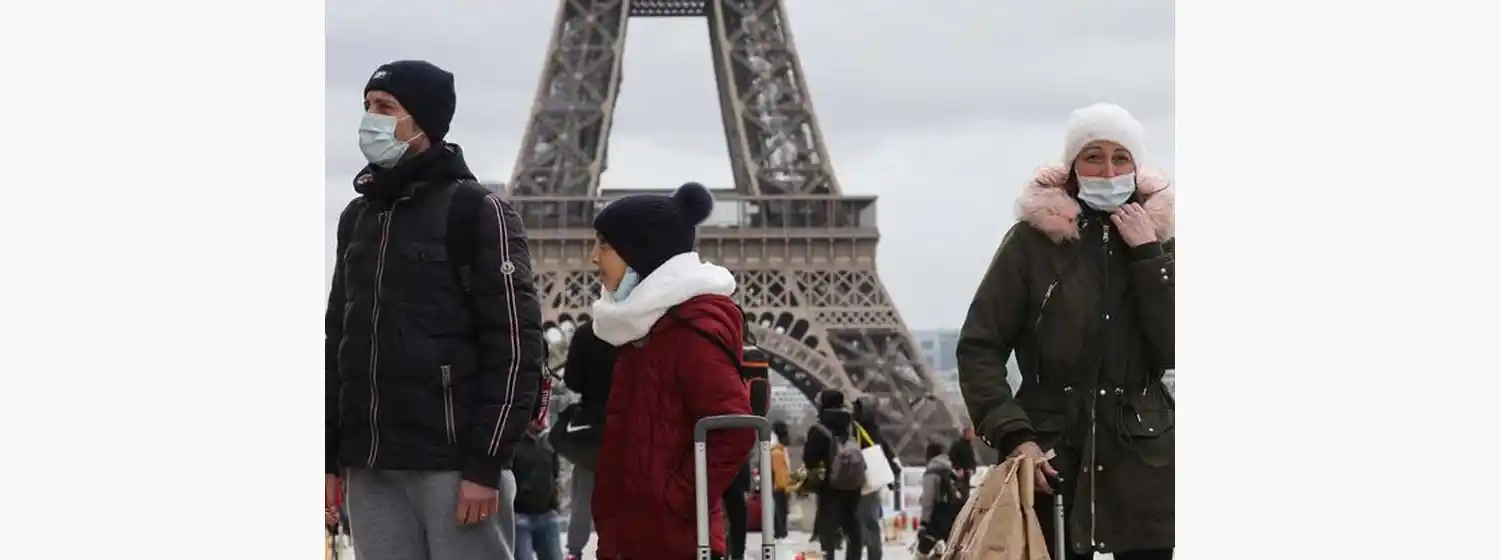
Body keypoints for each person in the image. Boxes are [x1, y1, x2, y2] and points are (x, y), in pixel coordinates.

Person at [325, 59, 545, 560]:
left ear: (423, 120)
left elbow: (514, 345)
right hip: (372, 463)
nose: (371, 120)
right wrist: (328, 456)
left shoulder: (477, 211)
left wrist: (486, 465)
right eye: (367, 107)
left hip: (454, 464)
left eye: (386, 107)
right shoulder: (356, 219)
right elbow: (338, 342)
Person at [957, 102, 1175, 560]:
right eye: (1093, 156)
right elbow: (980, 345)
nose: (1108, 169)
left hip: (1143, 462)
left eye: (1121, 157)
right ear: (1073, 166)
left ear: (1137, 167)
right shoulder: (1031, 243)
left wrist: (1147, 257)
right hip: (1050, 457)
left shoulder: (1163, 245)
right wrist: (1016, 436)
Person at [587, 182, 756, 560]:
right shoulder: (644, 332)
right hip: (637, 539)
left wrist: (673, 498)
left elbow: (735, 429)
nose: (594, 258)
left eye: (604, 245)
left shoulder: (687, 333)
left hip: (671, 542)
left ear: (640, 254)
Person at [555, 321, 616, 560]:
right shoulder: (635, 327)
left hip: (591, 427)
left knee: (583, 494)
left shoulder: (585, 332)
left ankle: (574, 550)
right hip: (630, 422)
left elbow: (572, 380)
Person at [803, 390, 864, 560]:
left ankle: (828, 556)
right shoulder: (852, 426)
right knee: (852, 523)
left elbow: (810, 459)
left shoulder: (818, 429)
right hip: (853, 485)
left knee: (827, 526)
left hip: (830, 486)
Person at [849, 395, 901, 560]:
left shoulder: (853, 430)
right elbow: (887, 454)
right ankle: (874, 555)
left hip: (857, 481)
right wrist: (893, 476)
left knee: (858, 523)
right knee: (871, 522)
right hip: (872, 482)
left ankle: (856, 553)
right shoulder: (874, 431)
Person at [513, 420, 564, 560]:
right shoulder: (513, 442)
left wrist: (555, 505)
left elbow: (556, 474)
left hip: (547, 515)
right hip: (519, 518)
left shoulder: (549, 441)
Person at [915, 443, 962, 557]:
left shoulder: (931, 472)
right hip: (955, 514)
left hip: (938, 517)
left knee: (921, 553)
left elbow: (928, 500)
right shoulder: (951, 471)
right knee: (953, 551)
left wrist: (924, 523)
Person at [769, 421, 794, 542]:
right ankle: (781, 533)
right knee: (781, 510)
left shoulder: (776, 449)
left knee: (779, 510)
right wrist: (785, 486)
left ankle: (779, 533)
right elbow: (780, 472)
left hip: (778, 485)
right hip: (780, 486)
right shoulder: (777, 451)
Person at [946, 427, 978, 502]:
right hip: (958, 474)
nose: (971, 435)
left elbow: (971, 459)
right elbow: (951, 457)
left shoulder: (969, 446)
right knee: (958, 494)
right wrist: (958, 468)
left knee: (965, 494)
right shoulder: (957, 445)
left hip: (967, 473)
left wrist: (973, 469)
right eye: (969, 433)